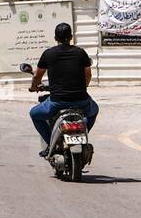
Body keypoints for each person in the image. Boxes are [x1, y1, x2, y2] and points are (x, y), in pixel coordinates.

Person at [28, 22, 99, 157]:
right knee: (94, 110)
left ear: (55, 38)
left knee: (34, 114)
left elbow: (37, 75)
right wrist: (84, 87)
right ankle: (83, 133)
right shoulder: (81, 53)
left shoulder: (48, 54)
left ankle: (50, 144)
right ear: (71, 37)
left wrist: (34, 87)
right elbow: (88, 75)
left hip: (57, 102)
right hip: (81, 101)